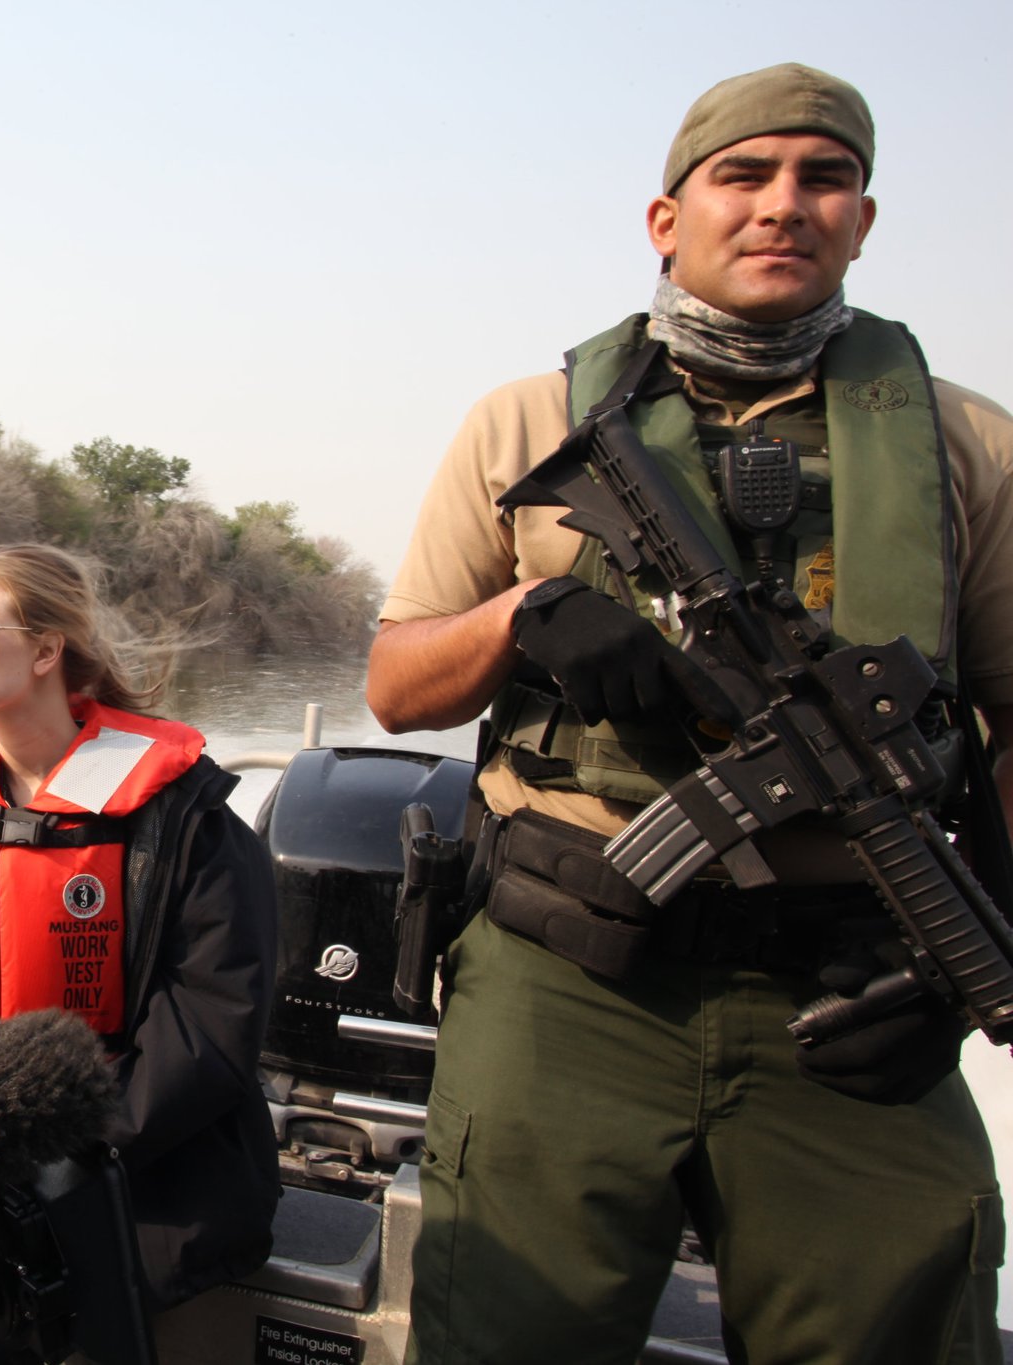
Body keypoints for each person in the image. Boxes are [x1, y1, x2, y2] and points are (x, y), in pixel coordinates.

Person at [367, 63, 1008, 1365]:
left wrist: (967, 963)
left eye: (823, 179)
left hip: (853, 986)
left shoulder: (965, 446)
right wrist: (522, 618)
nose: (785, 207)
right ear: (669, 219)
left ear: (865, 222)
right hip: (568, 977)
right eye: (745, 175)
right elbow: (396, 683)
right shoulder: (533, 422)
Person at [0, 543, 279, 1331]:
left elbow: (209, 1033)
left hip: (129, 1179)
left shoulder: (183, 821)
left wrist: (43, 1166)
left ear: (47, 650)